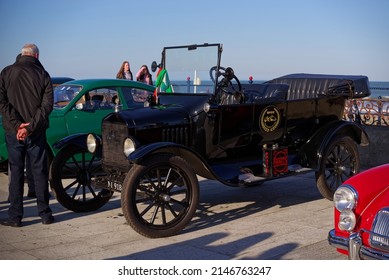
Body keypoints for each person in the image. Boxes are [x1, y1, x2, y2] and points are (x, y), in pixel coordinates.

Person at [0, 43, 54, 227]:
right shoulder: (43, 74)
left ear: (22, 54)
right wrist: (29, 127)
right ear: (36, 56)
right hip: (36, 131)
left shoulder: (6, 72)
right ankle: (45, 214)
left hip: (13, 132)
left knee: (15, 172)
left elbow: (2, 102)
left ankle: (15, 217)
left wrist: (17, 126)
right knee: (39, 171)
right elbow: (47, 107)